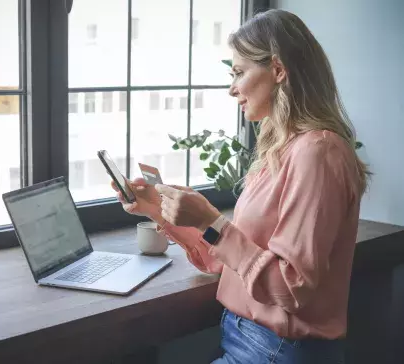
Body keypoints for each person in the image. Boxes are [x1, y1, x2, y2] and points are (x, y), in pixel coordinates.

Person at [112, 9, 370, 364]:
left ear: (278, 70)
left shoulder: (318, 152)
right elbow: (230, 263)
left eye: (239, 72)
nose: (232, 88)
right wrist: (157, 209)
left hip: (276, 350)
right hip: (251, 341)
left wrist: (210, 222)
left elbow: (290, 287)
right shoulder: (281, 151)